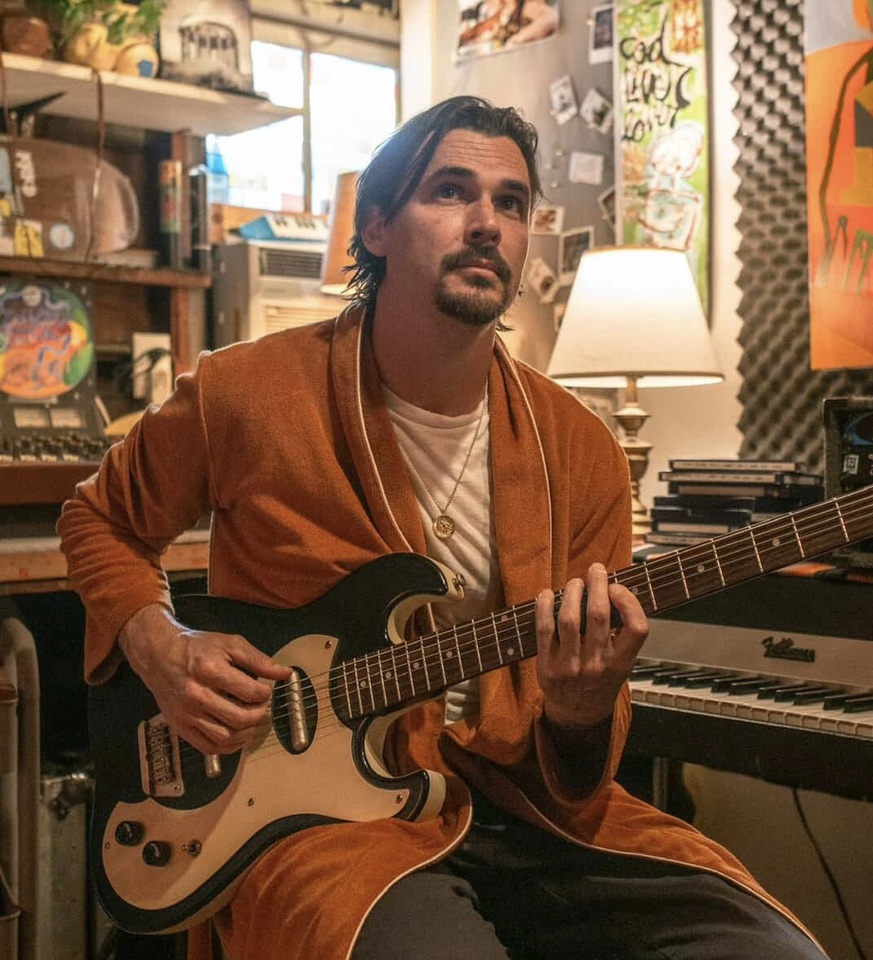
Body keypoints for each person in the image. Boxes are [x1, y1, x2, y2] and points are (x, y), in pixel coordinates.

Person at [58, 96, 829, 960]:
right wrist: (161, 646)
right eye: (451, 191)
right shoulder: (245, 393)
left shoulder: (584, 452)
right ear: (378, 226)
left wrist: (580, 707)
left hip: (526, 806)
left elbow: (578, 760)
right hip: (329, 828)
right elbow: (98, 520)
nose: (487, 222)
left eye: (511, 202)